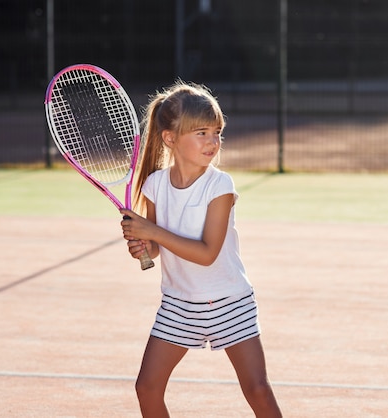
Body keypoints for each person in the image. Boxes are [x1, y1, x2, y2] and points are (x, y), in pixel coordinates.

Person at [119, 81, 282, 418]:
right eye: (202, 133)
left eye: (216, 132)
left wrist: (152, 231)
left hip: (229, 301)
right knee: (146, 388)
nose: (213, 142)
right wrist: (143, 246)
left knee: (257, 389)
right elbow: (155, 247)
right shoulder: (155, 185)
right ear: (170, 138)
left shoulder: (219, 185)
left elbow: (208, 253)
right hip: (178, 304)